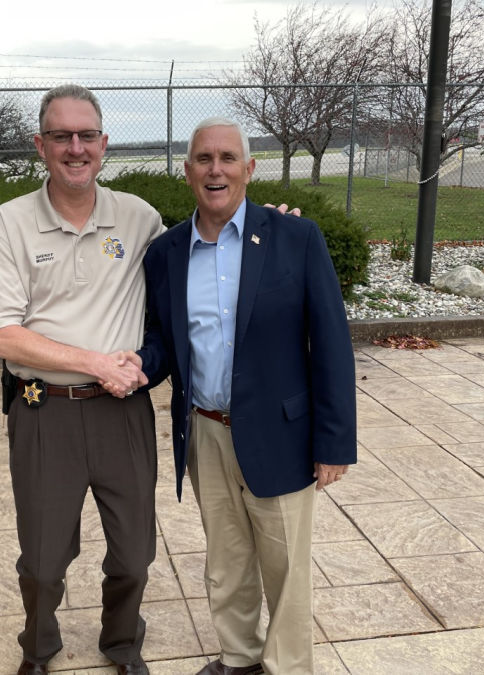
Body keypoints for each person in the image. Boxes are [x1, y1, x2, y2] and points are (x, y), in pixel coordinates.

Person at [130, 117, 357, 674]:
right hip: (205, 430)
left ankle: (286, 668)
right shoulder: (166, 254)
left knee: (285, 570)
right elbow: (163, 339)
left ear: (249, 169)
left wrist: (335, 442)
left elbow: (331, 342)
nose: (216, 170)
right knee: (226, 562)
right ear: (187, 172)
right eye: (204, 159)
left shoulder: (295, 238)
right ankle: (238, 657)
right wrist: (134, 367)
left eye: (228, 158)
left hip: (283, 434)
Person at [0, 84, 163, 675]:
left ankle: (122, 644)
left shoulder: (138, 218)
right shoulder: (11, 223)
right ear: (41, 145)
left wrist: (271, 226)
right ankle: (38, 650)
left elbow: (194, 272)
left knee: (135, 555)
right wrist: (95, 362)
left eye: (87, 136)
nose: (75, 148)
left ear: (105, 144)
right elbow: (0, 336)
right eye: (61, 136)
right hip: (43, 412)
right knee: (41, 559)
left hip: (122, 414)